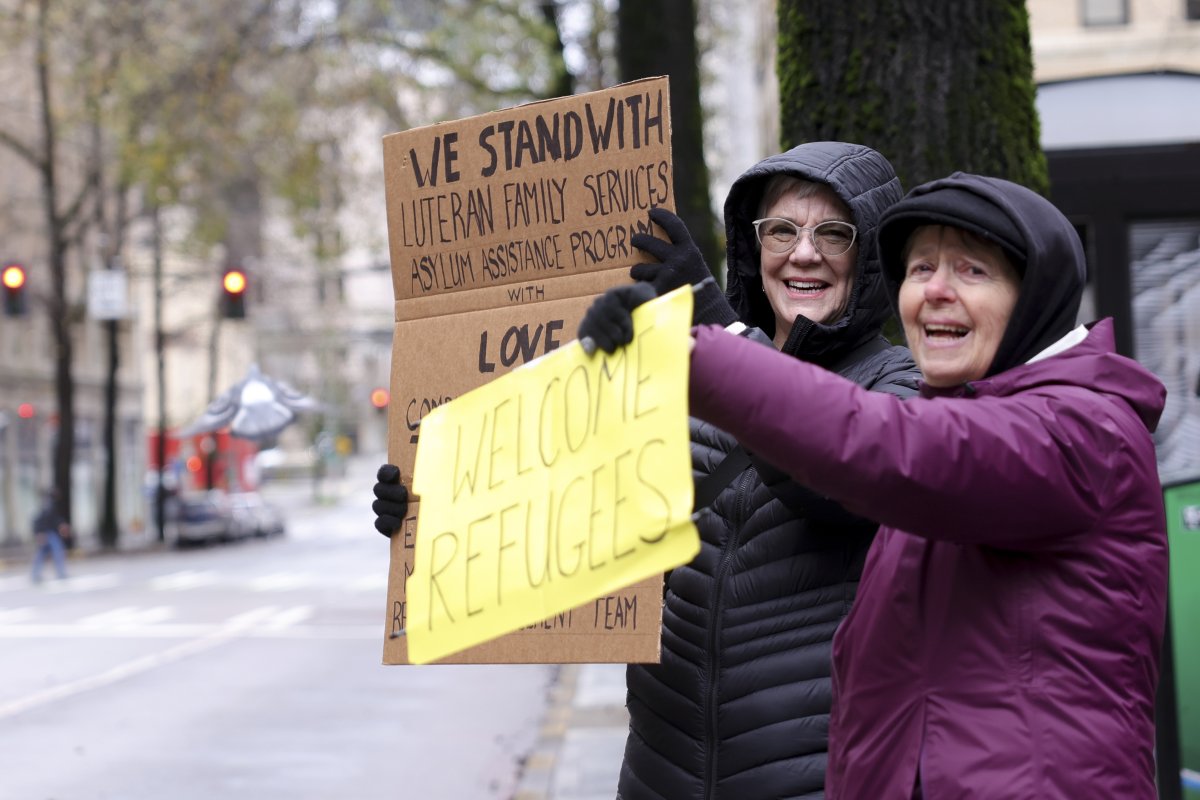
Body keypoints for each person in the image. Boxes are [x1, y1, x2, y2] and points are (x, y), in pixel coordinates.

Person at [584, 172, 1169, 798]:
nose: (937, 292)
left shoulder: (1082, 428)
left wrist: (697, 353)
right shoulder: (962, 417)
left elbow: (884, 446)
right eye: (920, 270)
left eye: (972, 271)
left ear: (1035, 295)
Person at [375, 141, 921, 799]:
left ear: (867, 261)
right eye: (781, 230)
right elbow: (567, 536)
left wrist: (717, 331)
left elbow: (836, 480)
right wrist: (430, 514)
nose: (803, 253)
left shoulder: (905, 389)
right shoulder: (684, 380)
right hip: (661, 777)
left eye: (833, 233)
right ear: (754, 249)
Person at [30, 489, 70, 583]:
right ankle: (60, 573)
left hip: (47, 532)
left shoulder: (48, 504)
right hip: (49, 533)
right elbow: (48, 520)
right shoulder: (50, 505)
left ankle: (35, 574)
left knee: (42, 553)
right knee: (57, 551)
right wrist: (39, 532)